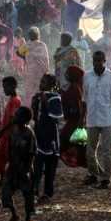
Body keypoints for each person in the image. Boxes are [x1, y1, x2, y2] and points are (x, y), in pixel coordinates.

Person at [83, 51, 111, 189]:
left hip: (108, 118)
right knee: (89, 150)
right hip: (92, 118)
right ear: (92, 60)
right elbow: (84, 98)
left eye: (100, 60)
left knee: (107, 151)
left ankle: (106, 178)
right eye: (95, 60)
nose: (97, 63)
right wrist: (82, 117)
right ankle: (94, 174)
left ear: (105, 61)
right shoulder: (87, 76)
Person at [2, 106, 36, 221]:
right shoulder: (14, 131)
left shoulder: (29, 133)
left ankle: (28, 220)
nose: (14, 117)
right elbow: (10, 148)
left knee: (27, 195)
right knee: (6, 192)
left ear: (24, 119)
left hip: (24, 168)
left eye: (17, 115)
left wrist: (27, 170)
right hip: (13, 167)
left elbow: (32, 153)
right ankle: (14, 215)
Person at [31, 74, 64, 203]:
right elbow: (35, 117)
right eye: (41, 81)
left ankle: (47, 193)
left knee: (50, 167)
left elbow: (57, 116)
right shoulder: (37, 97)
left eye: (44, 82)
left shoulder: (55, 98)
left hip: (51, 137)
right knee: (37, 165)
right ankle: (34, 191)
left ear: (51, 85)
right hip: (39, 135)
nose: (41, 84)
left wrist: (45, 103)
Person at [0, 77, 22, 183]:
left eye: (6, 87)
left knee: (5, 156)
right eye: (4, 87)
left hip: (10, 134)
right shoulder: (13, 99)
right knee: (3, 156)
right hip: (7, 134)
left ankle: (6, 179)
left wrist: (1, 131)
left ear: (13, 86)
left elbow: (13, 120)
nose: (4, 89)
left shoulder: (14, 101)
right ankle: (4, 178)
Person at [60, 66, 86, 167]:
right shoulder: (76, 87)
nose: (66, 75)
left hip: (75, 119)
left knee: (68, 139)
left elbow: (77, 105)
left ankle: (76, 160)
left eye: (68, 74)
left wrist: (80, 119)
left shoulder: (75, 88)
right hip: (75, 118)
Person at [20, 27, 49, 107]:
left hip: (31, 73)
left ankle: (30, 108)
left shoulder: (28, 45)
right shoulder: (42, 45)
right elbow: (46, 59)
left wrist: (25, 57)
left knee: (30, 92)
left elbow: (18, 52)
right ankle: (36, 108)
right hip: (39, 73)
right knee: (37, 91)